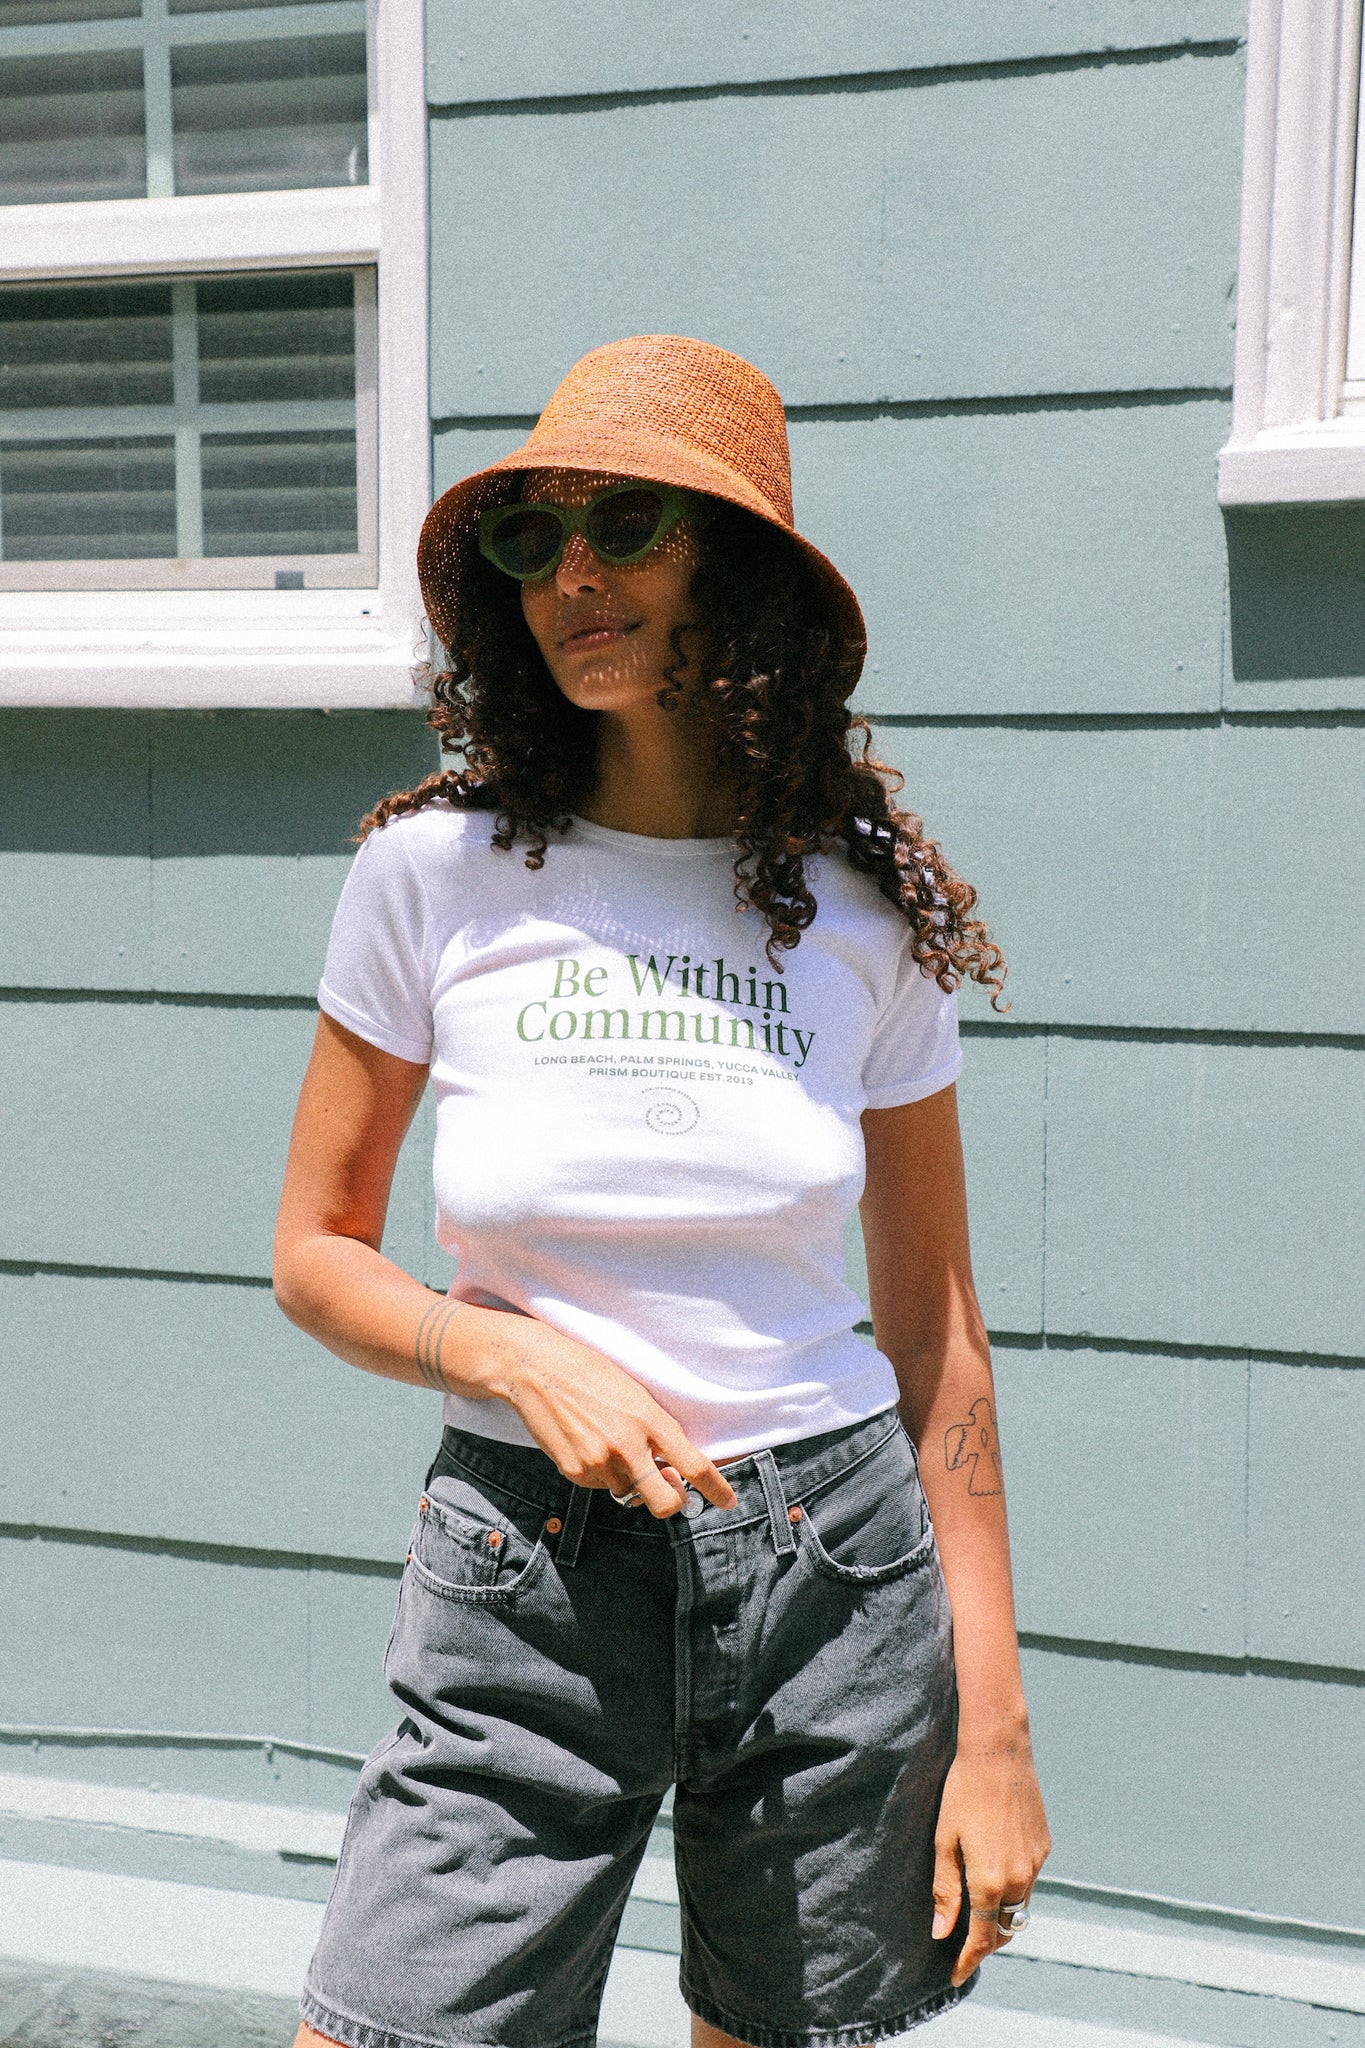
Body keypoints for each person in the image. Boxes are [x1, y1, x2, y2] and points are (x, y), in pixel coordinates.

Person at [274, 333, 1050, 2048]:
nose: (572, 575)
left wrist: (992, 1726)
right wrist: (504, 1352)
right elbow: (313, 1254)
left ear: (736, 572)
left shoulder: (861, 920)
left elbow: (937, 1342)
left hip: (832, 1572)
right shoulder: (431, 877)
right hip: (525, 1567)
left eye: (624, 525)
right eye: (529, 537)